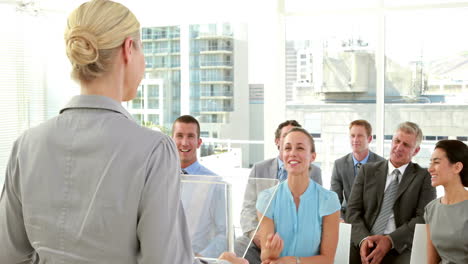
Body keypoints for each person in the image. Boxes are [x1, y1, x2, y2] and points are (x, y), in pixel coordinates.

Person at [0, 1, 246, 264]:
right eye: (143, 49)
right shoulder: (154, 150)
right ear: (129, 49)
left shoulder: (25, 145)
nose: (145, 63)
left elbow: (9, 255)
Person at [346, 121, 436, 264]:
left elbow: (423, 217)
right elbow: (352, 210)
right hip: (365, 239)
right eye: (397, 141)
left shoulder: (423, 177)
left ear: (416, 150)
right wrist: (364, 240)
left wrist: (390, 240)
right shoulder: (367, 171)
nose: (398, 147)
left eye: (406, 145)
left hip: (399, 245)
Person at [238, 120, 322, 261]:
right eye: (286, 137)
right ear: (277, 141)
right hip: (261, 238)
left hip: (295, 239)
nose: (292, 143)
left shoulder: (313, 171)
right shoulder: (260, 169)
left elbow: (314, 212)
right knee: (238, 246)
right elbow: (248, 208)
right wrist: (256, 234)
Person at [256, 127, 340, 264]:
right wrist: (270, 253)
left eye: (300, 148)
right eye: (287, 148)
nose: (292, 153)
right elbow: (265, 257)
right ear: (282, 155)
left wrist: (294, 261)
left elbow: (327, 259)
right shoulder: (267, 199)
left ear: (313, 157)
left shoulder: (328, 200)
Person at [172, 115, 227, 257]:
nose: (184, 143)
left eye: (190, 136)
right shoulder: (159, 178)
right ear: (171, 140)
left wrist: (200, 258)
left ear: (198, 142)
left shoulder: (215, 183)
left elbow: (225, 233)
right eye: (179, 136)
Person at [424, 140, 468, 264]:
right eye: (430, 163)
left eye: (436, 162)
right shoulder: (431, 209)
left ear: (457, 167)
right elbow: (431, 261)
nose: (430, 169)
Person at [331, 119, 385, 218]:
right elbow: (334, 200)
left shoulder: (382, 164)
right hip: (348, 219)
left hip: (373, 220)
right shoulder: (339, 164)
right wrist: (341, 219)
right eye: (352, 136)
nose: (355, 140)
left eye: (360, 136)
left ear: (369, 139)